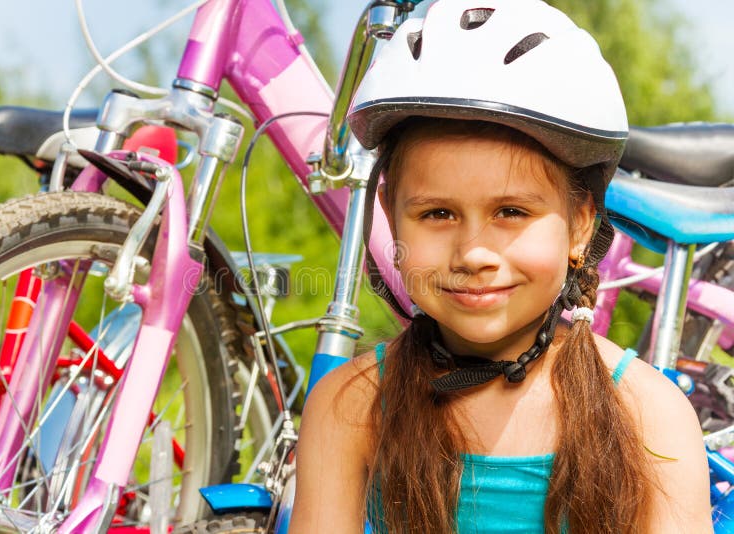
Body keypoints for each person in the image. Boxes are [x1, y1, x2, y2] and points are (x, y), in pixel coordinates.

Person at [290, 0, 712, 532]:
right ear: (392, 220)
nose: (473, 253)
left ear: (581, 225)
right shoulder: (351, 406)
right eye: (437, 213)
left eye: (511, 212)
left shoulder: (648, 412)